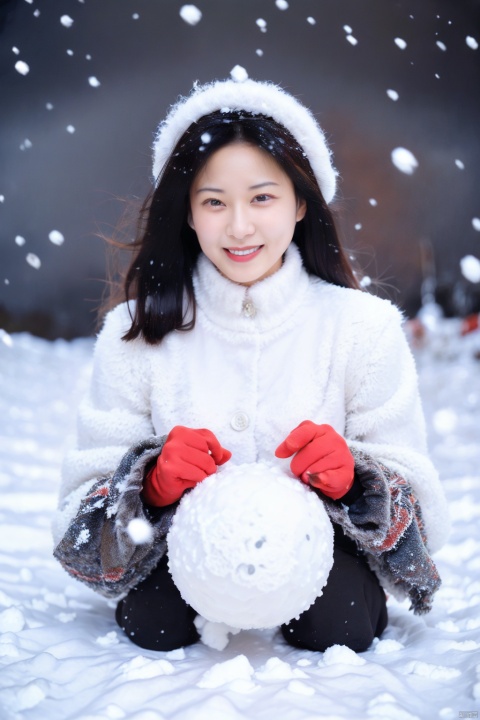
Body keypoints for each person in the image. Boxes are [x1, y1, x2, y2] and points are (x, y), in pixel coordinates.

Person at [53, 77, 449, 654]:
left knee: (339, 621)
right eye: (214, 201)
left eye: (262, 197)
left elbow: (425, 521)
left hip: (325, 588)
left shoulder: (365, 328)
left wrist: (357, 482)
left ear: (301, 202)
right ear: (187, 213)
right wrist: (151, 487)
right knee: (155, 619)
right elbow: (77, 524)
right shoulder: (133, 334)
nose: (239, 227)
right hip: (180, 585)